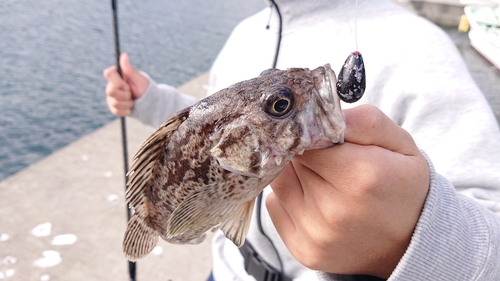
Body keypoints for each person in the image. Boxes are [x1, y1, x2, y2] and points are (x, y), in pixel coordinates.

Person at [103, 0, 500, 280]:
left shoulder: (418, 45)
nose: (312, 88)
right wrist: (151, 100)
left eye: (280, 105)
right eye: (282, 104)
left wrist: (408, 245)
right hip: (228, 271)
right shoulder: (242, 35)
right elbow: (209, 139)